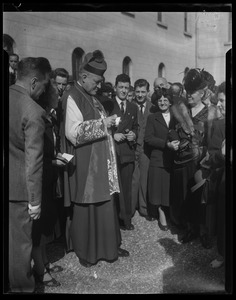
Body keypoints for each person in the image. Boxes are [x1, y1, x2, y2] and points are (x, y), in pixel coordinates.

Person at [60, 50, 129, 268]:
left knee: (107, 205)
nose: (100, 86)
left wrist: (108, 124)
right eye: (97, 81)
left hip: (101, 162)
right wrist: (103, 125)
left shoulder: (92, 97)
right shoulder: (72, 95)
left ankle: (109, 247)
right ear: (83, 77)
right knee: (90, 207)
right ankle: (89, 252)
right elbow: (73, 132)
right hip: (88, 165)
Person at [9, 57, 52, 293]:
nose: (43, 91)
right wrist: (34, 202)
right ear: (34, 81)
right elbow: (33, 161)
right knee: (19, 248)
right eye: (44, 86)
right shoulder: (33, 111)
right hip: (18, 191)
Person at [169, 68, 219, 248]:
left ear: (202, 93)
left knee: (202, 198)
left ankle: (204, 232)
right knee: (184, 196)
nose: (188, 95)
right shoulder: (178, 110)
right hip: (182, 161)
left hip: (201, 162)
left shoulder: (211, 113)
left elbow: (214, 139)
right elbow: (172, 130)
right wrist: (173, 139)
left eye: (192, 92)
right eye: (187, 91)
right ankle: (189, 228)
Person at [31, 79, 67, 288]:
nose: (59, 96)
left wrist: (56, 156)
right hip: (40, 178)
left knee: (45, 227)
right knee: (38, 229)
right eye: (56, 94)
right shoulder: (39, 118)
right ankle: (40, 272)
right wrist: (53, 160)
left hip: (48, 176)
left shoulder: (49, 117)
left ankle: (44, 262)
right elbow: (34, 154)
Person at [103, 73, 139, 231]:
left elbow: (136, 126)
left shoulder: (133, 107)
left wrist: (134, 135)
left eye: (126, 87)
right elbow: (101, 126)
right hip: (113, 152)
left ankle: (126, 218)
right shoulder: (107, 105)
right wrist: (113, 134)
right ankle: (113, 219)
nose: (123, 90)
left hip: (127, 152)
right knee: (113, 187)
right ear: (115, 88)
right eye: (121, 87)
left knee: (126, 187)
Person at [145, 87, 179, 231]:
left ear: (171, 102)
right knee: (158, 189)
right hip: (159, 158)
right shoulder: (152, 117)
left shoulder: (177, 116)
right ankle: (161, 213)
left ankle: (172, 214)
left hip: (175, 159)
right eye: (160, 100)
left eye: (166, 100)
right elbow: (148, 138)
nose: (163, 102)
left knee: (170, 188)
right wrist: (166, 144)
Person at [131, 79, 156, 221]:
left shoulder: (153, 108)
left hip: (146, 149)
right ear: (134, 91)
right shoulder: (130, 106)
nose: (140, 95)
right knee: (133, 178)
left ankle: (144, 207)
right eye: (138, 92)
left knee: (144, 179)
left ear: (147, 92)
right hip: (132, 148)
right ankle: (131, 207)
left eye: (143, 92)